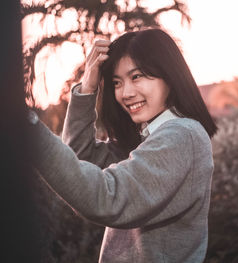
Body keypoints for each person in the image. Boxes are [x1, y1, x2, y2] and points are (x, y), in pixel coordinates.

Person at [30, 28, 217, 263]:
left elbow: (106, 198)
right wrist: (88, 86)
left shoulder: (181, 135)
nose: (126, 93)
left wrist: (27, 128)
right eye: (117, 82)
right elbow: (79, 160)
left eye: (136, 76)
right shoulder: (148, 140)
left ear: (169, 76)